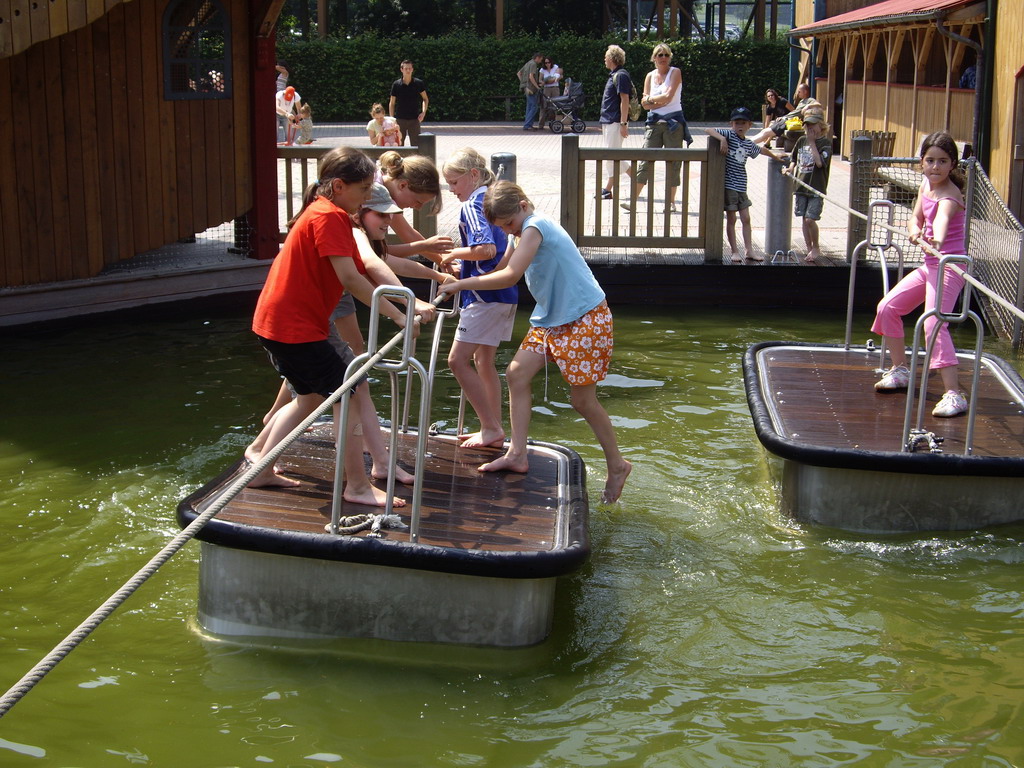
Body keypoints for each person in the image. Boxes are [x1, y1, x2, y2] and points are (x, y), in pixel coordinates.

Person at [245, 147, 435, 498]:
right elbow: (350, 278)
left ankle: (260, 466)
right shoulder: (329, 216)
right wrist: (397, 314)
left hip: (278, 324)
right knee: (350, 391)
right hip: (295, 328)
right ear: (338, 186)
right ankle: (358, 486)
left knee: (307, 398)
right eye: (363, 190)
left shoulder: (327, 214)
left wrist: (418, 287)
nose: (367, 197)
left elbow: (366, 268)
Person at [437, 181, 632, 504]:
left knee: (582, 401)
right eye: (502, 228)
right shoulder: (521, 230)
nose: (509, 232)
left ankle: (617, 464)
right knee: (516, 373)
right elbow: (500, 268)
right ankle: (517, 453)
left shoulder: (535, 226)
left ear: (523, 205)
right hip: (552, 318)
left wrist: (462, 285)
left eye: (508, 224)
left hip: (584, 316)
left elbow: (511, 275)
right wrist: (462, 272)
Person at [871, 130, 969, 418]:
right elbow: (917, 216)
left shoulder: (951, 195)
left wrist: (936, 238)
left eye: (942, 161)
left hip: (950, 265)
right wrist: (914, 230)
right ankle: (901, 370)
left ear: (953, 164)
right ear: (922, 163)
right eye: (930, 161)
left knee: (933, 323)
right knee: (887, 307)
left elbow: (941, 220)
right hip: (930, 265)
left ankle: (954, 394)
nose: (935, 167)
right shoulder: (926, 185)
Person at [440, 148, 518, 449]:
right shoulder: (492, 196)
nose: (451, 189)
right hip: (503, 294)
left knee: (457, 360)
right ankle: (494, 429)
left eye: (454, 182)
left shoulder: (474, 205)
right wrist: (465, 266)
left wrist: (452, 253)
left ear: (473, 175)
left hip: (485, 297)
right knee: (483, 360)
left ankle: (489, 426)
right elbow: (493, 252)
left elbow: (484, 249)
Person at [705, 107, 786, 262]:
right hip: (729, 186)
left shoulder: (748, 144)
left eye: (743, 123)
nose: (740, 126)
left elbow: (761, 150)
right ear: (731, 124)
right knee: (732, 219)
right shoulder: (729, 135)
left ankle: (749, 250)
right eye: (736, 123)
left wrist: (775, 156)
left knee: (746, 218)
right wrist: (722, 139)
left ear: (749, 125)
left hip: (742, 186)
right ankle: (734, 251)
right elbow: (708, 130)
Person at [624, 43, 692, 213]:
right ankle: (633, 201)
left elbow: (669, 97)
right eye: (659, 55)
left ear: (670, 57)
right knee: (645, 160)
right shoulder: (649, 76)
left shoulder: (675, 72)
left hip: (674, 124)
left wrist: (651, 100)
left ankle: (670, 202)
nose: (663, 58)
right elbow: (644, 105)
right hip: (653, 123)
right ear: (653, 57)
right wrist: (654, 101)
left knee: (673, 162)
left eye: (666, 55)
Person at [377, 151, 453, 266]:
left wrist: (443, 262)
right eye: (418, 202)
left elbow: (409, 234)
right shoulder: (375, 197)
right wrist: (427, 247)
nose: (418, 208)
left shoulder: (384, 196)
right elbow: (378, 252)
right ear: (403, 185)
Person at [782, 108, 831, 262]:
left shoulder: (825, 144)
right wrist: (790, 168)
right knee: (804, 219)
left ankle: (816, 247)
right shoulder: (801, 141)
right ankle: (809, 248)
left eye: (813, 125)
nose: (809, 129)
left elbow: (819, 163)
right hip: (801, 186)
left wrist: (812, 143)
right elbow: (794, 158)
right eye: (807, 126)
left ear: (821, 126)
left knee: (811, 219)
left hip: (816, 187)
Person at [599, 45, 632, 201]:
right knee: (613, 156)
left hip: (615, 122)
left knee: (611, 156)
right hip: (609, 121)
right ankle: (639, 180)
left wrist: (623, 123)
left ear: (612, 58)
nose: (604, 59)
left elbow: (624, 99)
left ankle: (607, 189)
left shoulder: (621, 75)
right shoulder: (615, 75)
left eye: (606, 56)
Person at [749, 83, 814, 146]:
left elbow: (818, 105)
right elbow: (767, 120)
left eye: (799, 92)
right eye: (769, 96)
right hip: (785, 119)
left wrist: (807, 107)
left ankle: (749, 143)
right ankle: (748, 143)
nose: (797, 93)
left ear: (805, 92)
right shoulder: (802, 101)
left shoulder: (810, 100)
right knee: (765, 131)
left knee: (766, 132)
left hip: (789, 121)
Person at [389, 60, 428, 146]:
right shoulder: (396, 84)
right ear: (401, 69)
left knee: (416, 146)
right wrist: (392, 119)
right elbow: (392, 103)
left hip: (414, 119)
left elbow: (425, 99)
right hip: (399, 120)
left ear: (412, 69)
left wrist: (423, 112)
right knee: (398, 144)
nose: (408, 70)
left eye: (409, 68)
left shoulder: (418, 83)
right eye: (406, 68)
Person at [517, 52, 543, 131]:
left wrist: (523, 83)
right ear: (538, 57)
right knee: (534, 107)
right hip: (531, 89)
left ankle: (528, 124)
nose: (541, 61)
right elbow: (531, 76)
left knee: (529, 107)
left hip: (526, 88)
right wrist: (537, 87)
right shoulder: (533, 64)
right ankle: (527, 125)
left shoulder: (528, 63)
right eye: (541, 59)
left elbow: (518, 73)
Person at [539, 56, 562, 126]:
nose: (547, 64)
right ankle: (541, 124)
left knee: (555, 105)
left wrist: (548, 81)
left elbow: (559, 76)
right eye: (546, 63)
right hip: (547, 89)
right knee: (544, 105)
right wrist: (548, 81)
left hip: (555, 88)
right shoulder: (542, 70)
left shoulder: (555, 67)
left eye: (548, 62)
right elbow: (540, 80)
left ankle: (554, 123)